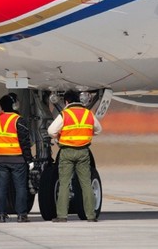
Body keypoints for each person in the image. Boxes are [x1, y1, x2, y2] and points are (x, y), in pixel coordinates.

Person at [48, 89, 102, 222]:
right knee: (86, 183)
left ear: (67, 101)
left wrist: (59, 136)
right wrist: (86, 133)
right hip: (83, 152)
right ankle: (91, 216)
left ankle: (62, 216)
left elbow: (51, 131)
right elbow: (98, 129)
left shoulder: (65, 114)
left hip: (67, 152)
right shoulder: (88, 113)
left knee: (64, 183)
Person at [0, 92, 33, 223]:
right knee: (20, 188)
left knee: (1, 188)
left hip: (1, 159)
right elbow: (25, 142)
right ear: (13, 105)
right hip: (17, 159)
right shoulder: (18, 120)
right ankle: (21, 215)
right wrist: (29, 160)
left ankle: (1, 215)